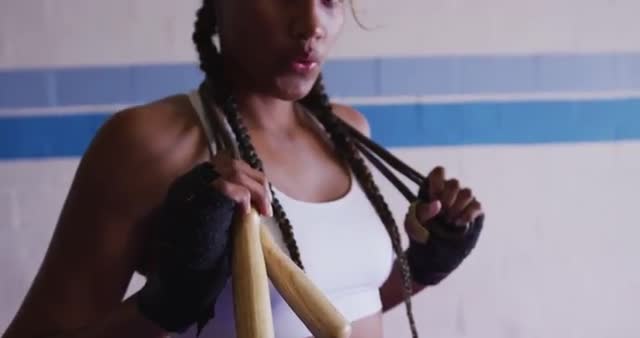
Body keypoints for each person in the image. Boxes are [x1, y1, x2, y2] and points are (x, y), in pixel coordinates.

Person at [2, 0, 484, 337]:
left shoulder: (346, 130)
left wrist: (425, 265)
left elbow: (344, 305)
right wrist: (164, 306)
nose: (311, 22)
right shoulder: (148, 144)